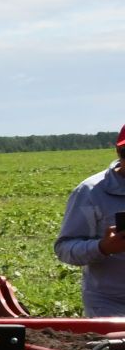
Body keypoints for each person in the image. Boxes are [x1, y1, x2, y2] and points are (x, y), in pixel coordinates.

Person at [54, 125, 125, 317]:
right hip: (112, 304)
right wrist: (103, 247)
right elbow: (64, 248)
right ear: (119, 152)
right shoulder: (91, 193)